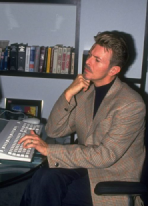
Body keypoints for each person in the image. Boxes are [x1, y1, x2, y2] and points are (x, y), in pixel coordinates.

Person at [18, 31, 146, 206]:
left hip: (110, 176)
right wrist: (68, 93)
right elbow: (54, 130)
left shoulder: (131, 104)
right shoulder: (86, 93)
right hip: (85, 165)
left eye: (97, 59)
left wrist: (49, 150)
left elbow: (105, 156)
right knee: (43, 177)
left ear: (114, 70)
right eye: (90, 55)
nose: (88, 61)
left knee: (47, 190)